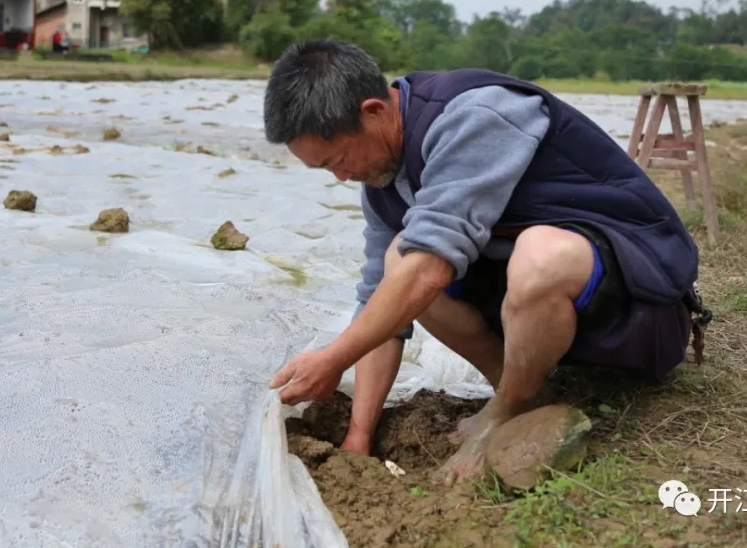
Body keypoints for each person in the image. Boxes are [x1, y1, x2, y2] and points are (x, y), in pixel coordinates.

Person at [263, 39, 709, 486]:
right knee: (401, 256)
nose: (341, 176)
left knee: (524, 255)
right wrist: (358, 436)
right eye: (326, 170)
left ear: (375, 111)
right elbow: (380, 301)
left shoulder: (476, 114)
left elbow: (432, 266)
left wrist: (333, 358)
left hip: (642, 312)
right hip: (565, 328)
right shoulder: (383, 182)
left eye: (339, 159)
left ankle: (507, 410)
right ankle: (527, 394)